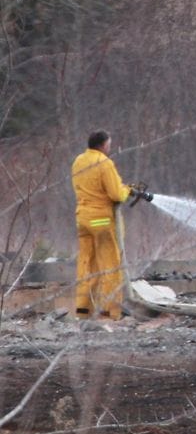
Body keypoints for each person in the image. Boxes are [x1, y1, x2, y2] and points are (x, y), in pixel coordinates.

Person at [71, 131, 133, 320]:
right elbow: (116, 194)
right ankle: (111, 311)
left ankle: (83, 310)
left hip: (82, 219)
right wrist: (127, 190)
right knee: (110, 266)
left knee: (86, 265)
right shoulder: (104, 163)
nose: (109, 148)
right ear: (102, 145)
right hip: (102, 221)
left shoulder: (78, 161)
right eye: (109, 144)